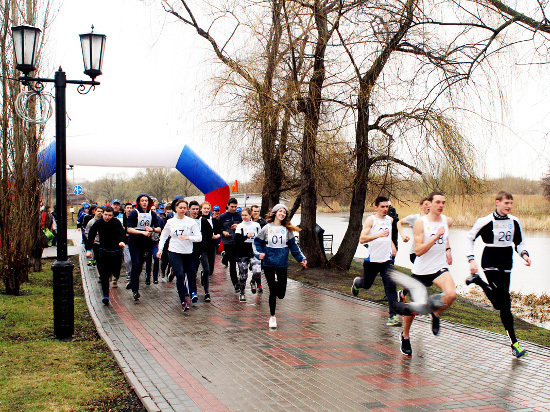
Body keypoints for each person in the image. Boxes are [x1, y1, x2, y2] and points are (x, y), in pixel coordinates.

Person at [465, 191, 531, 359]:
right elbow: (469, 238)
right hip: (490, 261)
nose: (509, 206)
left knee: (502, 306)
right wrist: (471, 259)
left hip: (506, 262)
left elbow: (519, 242)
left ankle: (514, 345)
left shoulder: (514, 221)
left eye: (511, 203)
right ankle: (515, 344)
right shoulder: (486, 221)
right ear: (497, 203)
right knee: (503, 297)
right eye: (506, 203)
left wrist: (524, 254)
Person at [399, 191, 455, 356]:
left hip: (438, 267)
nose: (441, 206)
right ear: (429, 204)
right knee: (414, 309)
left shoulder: (447, 220)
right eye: (437, 202)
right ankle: (405, 336)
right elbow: (418, 251)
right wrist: (434, 237)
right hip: (421, 270)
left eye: (443, 203)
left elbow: (445, 237)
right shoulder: (420, 223)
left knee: (451, 294)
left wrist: (448, 249)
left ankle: (435, 312)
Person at [254, 204, 307, 328]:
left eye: (284, 212)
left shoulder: (287, 230)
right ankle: (272, 317)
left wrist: (301, 259)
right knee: (272, 290)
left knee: (281, 294)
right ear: (275, 212)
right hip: (268, 263)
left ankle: (277, 283)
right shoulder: (266, 228)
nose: (282, 214)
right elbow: (257, 243)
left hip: (282, 263)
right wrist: (258, 254)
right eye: (280, 211)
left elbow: (294, 247)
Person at [351, 196, 400, 327]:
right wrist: (378, 235)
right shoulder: (370, 220)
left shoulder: (389, 220)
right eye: (382, 207)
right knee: (367, 284)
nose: (385, 209)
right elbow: (362, 239)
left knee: (391, 286)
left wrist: (393, 247)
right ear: (376, 208)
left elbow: (388, 235)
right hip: (372, 260)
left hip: (386, 260)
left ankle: (393, 316)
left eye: (387, 207)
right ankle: (357, 283)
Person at [157, 199, 202, 311]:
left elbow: (199, 237)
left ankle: (193, 293)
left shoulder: (191, 221)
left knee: (191, 272)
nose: (182, 210)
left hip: (187, 252)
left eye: (184, 208)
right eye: (180, 208)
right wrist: (160, 249)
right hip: (174, 251)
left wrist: (188, 237)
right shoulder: (171, 221)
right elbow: (163, 236)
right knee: (180, 275)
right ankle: (183, 300)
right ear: (176, 209)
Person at [85, 205, 126, 305]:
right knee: (104, 275)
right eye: (106, 215)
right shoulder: (98, 223)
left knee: (116, 270)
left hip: (116, 251)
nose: (107, 217)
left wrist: (122, 241)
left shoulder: (116, 222)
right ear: (102, 214)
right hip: (103, 251)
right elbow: (91, 235)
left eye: (110, 215)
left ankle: (115, 275)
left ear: (113, 215)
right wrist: (88, 249)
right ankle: (106, 296)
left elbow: (122, 233)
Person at [126, 193, 162, 301]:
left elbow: (159, 228)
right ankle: (135, 290)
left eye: (146, 201)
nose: (144, 203)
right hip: (134, 242)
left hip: (146, 243)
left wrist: (152, 229)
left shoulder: (152, 214)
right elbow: (129, 229)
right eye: (142, 201)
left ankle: (133, 280)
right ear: (139, 202)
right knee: (136, 263)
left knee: (140, 264)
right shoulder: (134, 213)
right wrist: (141, 232)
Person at [234, 207, 262, 302]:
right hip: (242, 251)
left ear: (250, 215)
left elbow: (260, 238)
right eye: (242, 215)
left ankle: (253, 281)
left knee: (257, 271)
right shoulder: (240, 226)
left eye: (246, 215)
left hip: (254, 250)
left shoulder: (256, 225)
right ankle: (242, 293)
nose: (244, 217)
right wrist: (246, 236)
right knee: (243, 275)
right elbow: (236, 240)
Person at [197, 201, 222, 302]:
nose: (206, 210)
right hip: (202, 247)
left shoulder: (214, 221)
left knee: (210, 270)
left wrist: (215, 236)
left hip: (212, 246)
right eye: (204, 208)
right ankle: (207, 292)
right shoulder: (198, 220)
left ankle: (204, 274)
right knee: (206, 268)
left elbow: (218, 232)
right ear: (201, 209)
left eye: (208, 208)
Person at [218, 198, 243, 292]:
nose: (234, 208)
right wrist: (223, 232)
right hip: (227, 242)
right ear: (228, 206)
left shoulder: (239, 216)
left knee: (239, 261)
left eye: (235, 207)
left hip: (238, 241)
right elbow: (217, 228)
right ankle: (235, 283)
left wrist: (239, 226)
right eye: (232, 207)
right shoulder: (223, 216)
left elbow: (246, 226)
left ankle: (225, 257)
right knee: (232, 262)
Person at [397, 197, 430, 264]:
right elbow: (399, 222)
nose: (428, 207)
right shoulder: (414, 218)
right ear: (421, 206)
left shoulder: (434, 219)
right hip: (415, 252)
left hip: (428, 253)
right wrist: (402, 236)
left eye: (430, 205)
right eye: (426, 204)